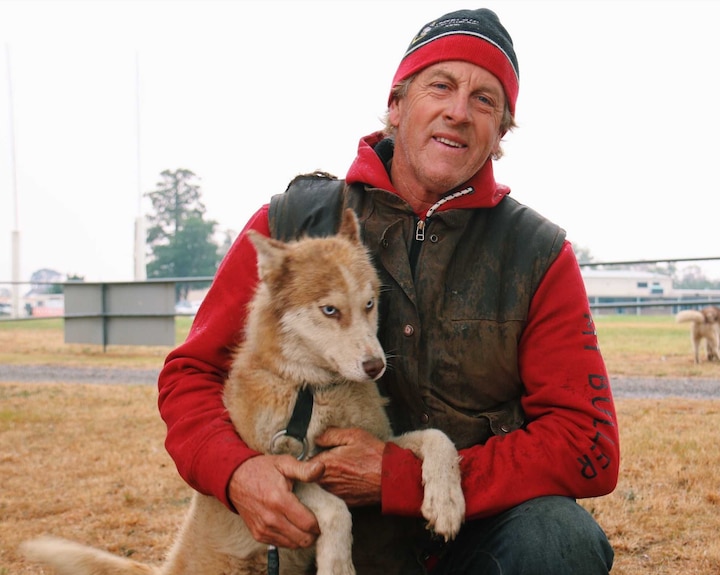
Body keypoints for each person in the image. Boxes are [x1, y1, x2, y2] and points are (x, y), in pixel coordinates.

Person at [158, 7, 619, 574]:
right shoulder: (291, 224)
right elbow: (190, 375)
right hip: (317, 542)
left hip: (470, 540)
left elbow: (587, 445)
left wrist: (400, 477)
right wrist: (236, 472)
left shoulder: (539, 255)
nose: (458, 111)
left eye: (484, 100)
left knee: (560, 539)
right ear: (396, 106)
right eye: (441, 86)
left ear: (500, 134)